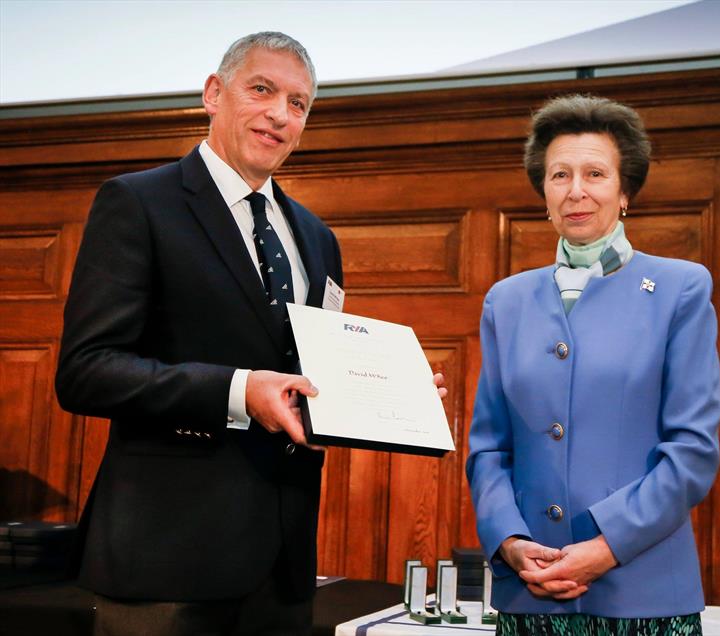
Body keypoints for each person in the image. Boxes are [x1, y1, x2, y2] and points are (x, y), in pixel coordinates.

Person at [56, 32, 445, 636]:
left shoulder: (317, 239)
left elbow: (314, 377)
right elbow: (87, 371)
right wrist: (240, 391)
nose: (280, 114)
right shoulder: (137, 203)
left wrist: (396, 400)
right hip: (167, 560)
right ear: (214, 93)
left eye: (298, 104)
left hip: (282, 568)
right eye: (261, 90)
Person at [466, 94, 720, 635]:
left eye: (595, 173)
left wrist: (606, 548)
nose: (576, 190)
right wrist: (509, 541)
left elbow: (693, 451)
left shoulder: (681, 288)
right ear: (544, 193)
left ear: (625, 191)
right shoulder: (505, 301)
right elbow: (490, 447)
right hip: (528, 591)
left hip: (643, 592)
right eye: (559, 175)